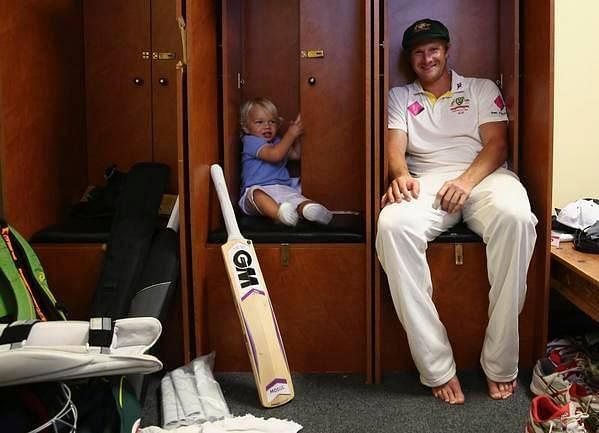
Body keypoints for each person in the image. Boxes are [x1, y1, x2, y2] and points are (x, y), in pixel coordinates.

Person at [375, 18, 538, 405]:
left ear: (447, 51)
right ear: (410, 58)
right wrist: (400, 175)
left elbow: (497, 145)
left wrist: (465, 183)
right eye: (418, 51)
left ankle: (500, 362)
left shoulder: (481, 88)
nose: (426, 57)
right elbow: (395, 150)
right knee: (392, 225)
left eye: (433, 49)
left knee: (517, 218)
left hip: (484, 176)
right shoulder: (399, 97)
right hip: (427, 182)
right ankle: (435, 365)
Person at [238, 97, 333, 226]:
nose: (267, 126)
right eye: (259, 122)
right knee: (257, 195)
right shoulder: (250, 141)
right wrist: (291, 134)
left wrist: (297, 136)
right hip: (257, 189)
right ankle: (280, 215)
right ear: (246, 128)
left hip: (282, 188)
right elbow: (275, 155)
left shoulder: (277, 141)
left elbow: (295, 155)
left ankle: (309, 210)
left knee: (295, 199)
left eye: (272, 122)